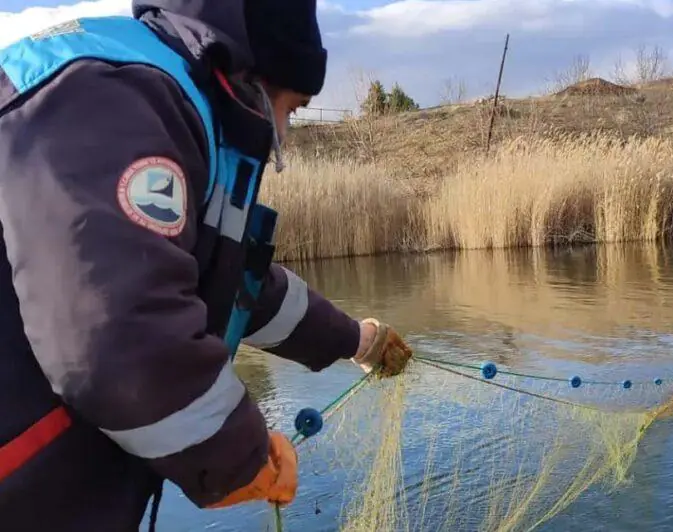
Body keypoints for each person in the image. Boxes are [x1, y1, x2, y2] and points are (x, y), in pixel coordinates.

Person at [0, 1, 413, 530]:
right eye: (295, 109)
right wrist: (239, 460)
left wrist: (356, 340)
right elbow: (118, 341)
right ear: (254, 74)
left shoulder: (172, 101)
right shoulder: (113, 95)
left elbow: (240, 289)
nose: (283, 135)